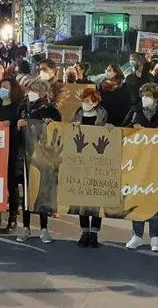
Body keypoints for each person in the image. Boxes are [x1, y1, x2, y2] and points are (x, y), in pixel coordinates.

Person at [124, 83, 158, 253]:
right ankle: (137, 235)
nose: (145, 98)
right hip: (138, 162)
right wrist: (132, 128)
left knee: (154, 198)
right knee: (137, 198)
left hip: (157, 163)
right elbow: (124, 127)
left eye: (149, 95)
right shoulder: (136, 110)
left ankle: (155, 237)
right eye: (143, 95)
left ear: (157, 99)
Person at [15, 78, 62, 243]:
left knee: (42, 191)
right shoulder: (23, 107)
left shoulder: (51, 110)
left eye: (35, 90)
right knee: (27, 192)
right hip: (25, 154)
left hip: (44, 157)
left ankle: (44, 228)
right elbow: (15, 128)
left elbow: (58, 131)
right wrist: (18, 125)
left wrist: (51, 124)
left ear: (43, 92)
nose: (31, 93)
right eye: (30, 89)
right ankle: (26, 227)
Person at [71, 86, 109, 248]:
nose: (84, 104)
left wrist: (110, 129)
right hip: (80, 159)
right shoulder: (78, 113)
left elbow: (107, 133)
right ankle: (84, 231)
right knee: (82, 197)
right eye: (83, 101)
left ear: (95, 102)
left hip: (98, 158)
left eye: (87, 101)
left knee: (96, 197)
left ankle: (94, 232)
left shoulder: (102, 114)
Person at [0, 76, 24, 232]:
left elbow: (22, 128)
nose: (3, 89)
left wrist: (12, 126)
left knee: (12, 185)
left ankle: (13, 218)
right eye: (2, 86)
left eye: (7, 87)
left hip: (13, 150)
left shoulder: (18, 107)